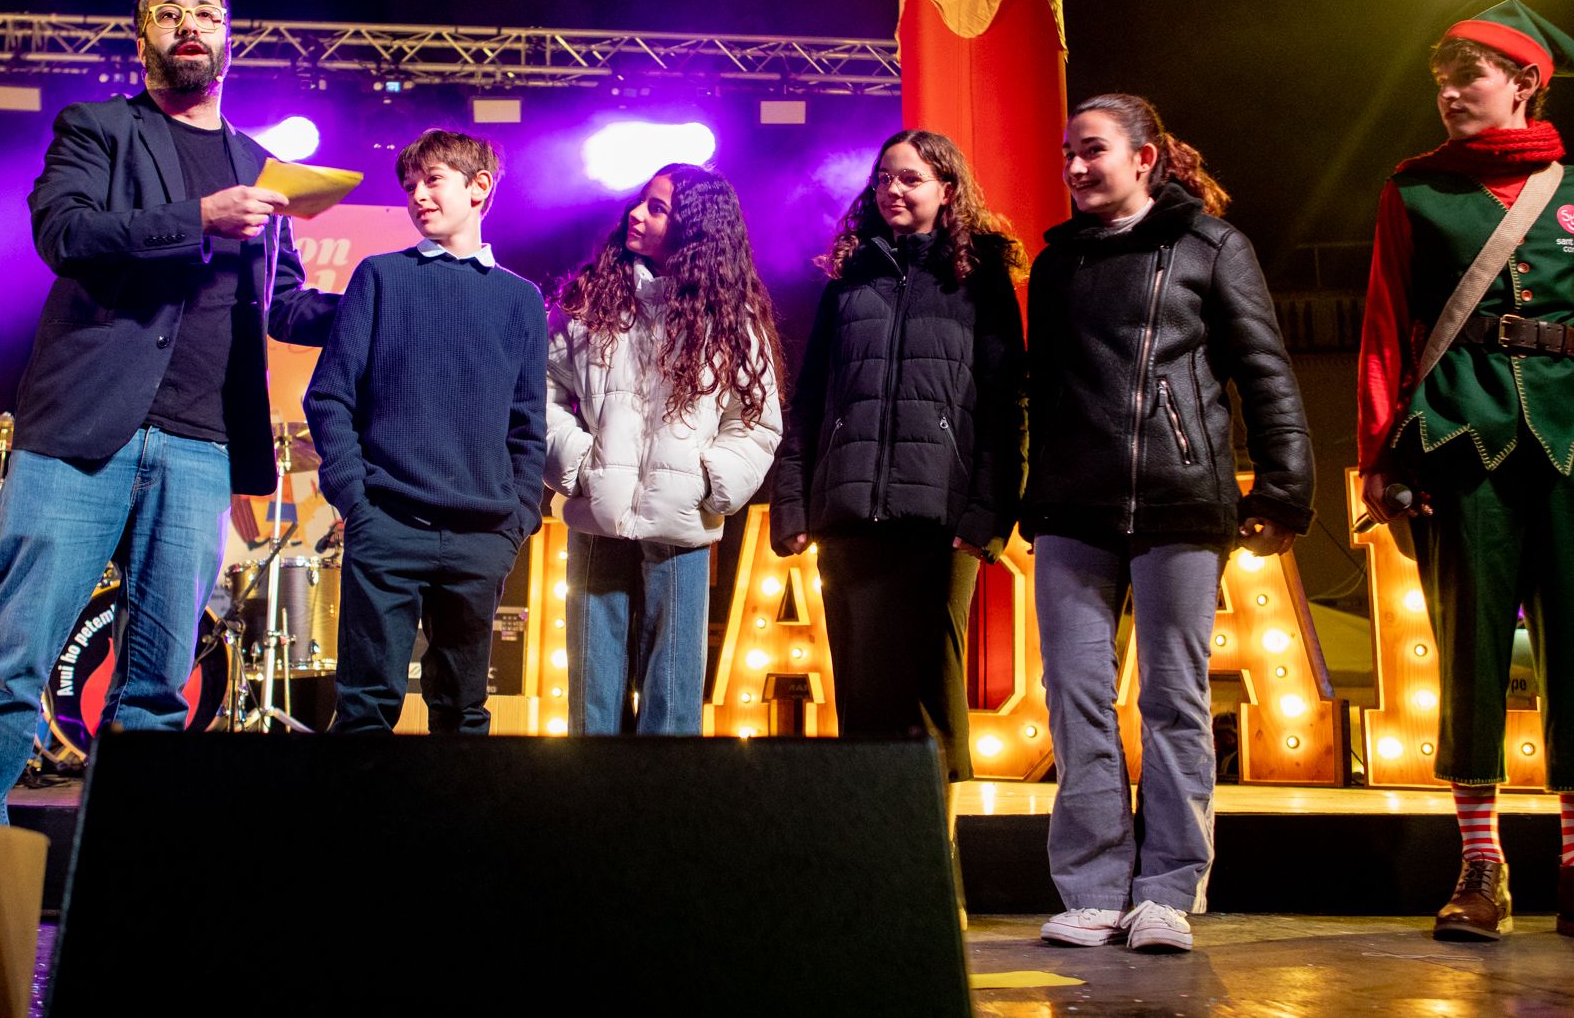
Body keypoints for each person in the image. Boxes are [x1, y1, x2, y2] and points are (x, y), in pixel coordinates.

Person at [0, 0, 337, 823]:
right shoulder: (98, 129)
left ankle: (119, 879)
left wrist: (389, 303)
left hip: (200, 442)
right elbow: (65, 233)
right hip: (82, 431)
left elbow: (286, 305)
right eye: (169, 12)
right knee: (12, 660)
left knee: (157, 683)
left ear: (232, 36)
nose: (189, 25)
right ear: (141, 34)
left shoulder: (262, 163)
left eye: (205, 13)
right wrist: (198, 218)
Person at [1357, 0, 1574, 946]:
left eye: (1469, 77)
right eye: (1441, 81)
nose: (1451, 94)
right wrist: (1378, 454)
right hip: (1461, 429)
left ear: (1524, 82)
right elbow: (1384, 328)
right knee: (1469, 643)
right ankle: (1482, 866)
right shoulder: (1413, 189)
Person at [1025, 94, 1313, 954]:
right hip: (1073, 506)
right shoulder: (1055, 264)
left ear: (1145, 158)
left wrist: (1285, 484)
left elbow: (1264, 368)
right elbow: (1037, 388)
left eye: (1094, 150)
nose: (1077, 167)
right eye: (1069, 152)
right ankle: (1093, 887)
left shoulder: (1211, 247)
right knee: (1075, 697)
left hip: (1183, 501)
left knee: (1174, 700)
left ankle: (1168, 889)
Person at [769, 129, 1026, 781]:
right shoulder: (847, 281)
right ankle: (870, 856)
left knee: (932, 691)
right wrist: (794, 501)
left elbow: (1004, 406)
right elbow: (810, 401)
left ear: (947, 189)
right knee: (861, 695)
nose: (892, 189)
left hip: (938, 516)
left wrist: (988, 516)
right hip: (849, 513)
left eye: (910, 178)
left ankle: (939, 863)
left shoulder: (981, 281)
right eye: (884, 177)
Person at [305, 130, 546, 734]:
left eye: (432, 179)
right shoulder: (380, 277)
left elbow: (528, 424)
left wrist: (517, 518)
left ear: (479, 187)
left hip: (482, 537)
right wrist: (358, 505)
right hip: (387, 525)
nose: (417, 196)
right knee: (364, 713)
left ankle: (454, 833)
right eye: (410, 185)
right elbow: (329, 396)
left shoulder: (521, 300)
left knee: (464, 715)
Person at [545, 164, 783, 734]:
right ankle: (592, 814)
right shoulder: (591, 300)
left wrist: (706, 482)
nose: (636, 214)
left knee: (673, 707)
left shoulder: (732, 319)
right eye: (640, 202)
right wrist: (578, 465)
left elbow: (757, 422)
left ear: (696, 229)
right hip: (598, 517)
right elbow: (537, 394)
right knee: (591, 706)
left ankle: (669, 817)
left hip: (681, 527)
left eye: (657, 208)